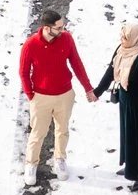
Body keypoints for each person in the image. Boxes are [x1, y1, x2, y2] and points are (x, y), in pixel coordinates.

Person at [18, 9, 95, 180]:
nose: (62, 30)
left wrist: (88, 88)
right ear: (47, 28)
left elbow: (77, 63)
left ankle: (60, 160)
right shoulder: (30, 45)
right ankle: (31, 164)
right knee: (38, 133)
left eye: (62, 27)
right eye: (58, 28)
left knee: (62, 130)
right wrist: (31, 95)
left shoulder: (66, 38)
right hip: (41, 97)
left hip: (65, 94)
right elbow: (23, 72)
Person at [95, 24, 138, 191]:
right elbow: (111, 71)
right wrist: (97, 91)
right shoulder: (121, 50)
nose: (122, 39)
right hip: (127, 102)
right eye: (122, 36)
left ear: (136, 38)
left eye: (125, 37)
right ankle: (131, 166)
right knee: (129, 136)